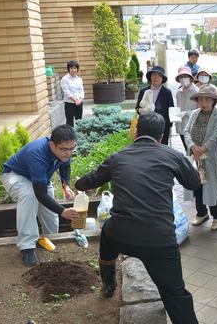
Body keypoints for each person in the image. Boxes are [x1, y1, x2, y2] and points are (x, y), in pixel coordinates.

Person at [75, 113, 201, 323]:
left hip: (122, 235)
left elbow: (91, 180)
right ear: (161, 136)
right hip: (160, 242)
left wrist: (77, 184)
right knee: (176, 295)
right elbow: (194, 183)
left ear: (136, 132)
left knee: (107, 232)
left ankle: (108, 283)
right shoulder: (171, 155)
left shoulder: (118, 157)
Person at [1, 125, 80, 267]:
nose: (68, 153)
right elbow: (40, 194)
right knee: (29, 195)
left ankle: (52, 238)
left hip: (39, 178)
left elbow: (65, 166)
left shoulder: (65, 150)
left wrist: (66, 185)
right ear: (52, 144)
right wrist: (63, 211)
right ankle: (27, 246)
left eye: (72, 149)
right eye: (64, 149)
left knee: (50, 210)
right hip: (15, 175)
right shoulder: (36, 153)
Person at [184, 85, 217, 231]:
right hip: (194, 155)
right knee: (197, 184)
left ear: (213, 101)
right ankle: (201, 213)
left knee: (212, 185)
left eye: (207, 99)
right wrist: (192, 147)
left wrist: (203, 148)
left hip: (209, 156)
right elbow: (186, 130)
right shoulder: (195, 113)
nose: (204, 103)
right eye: (201, 99)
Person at [136, 65, 174, 145]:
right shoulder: (144, 91)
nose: (156, 77)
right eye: (154, 75)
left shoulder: (167, 92)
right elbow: (137, 108)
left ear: (162, 78)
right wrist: (141, 110)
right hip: (146, 126)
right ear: (150, 77)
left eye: (159, 76)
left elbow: (171, 111)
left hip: (162, 126)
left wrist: (169, 126)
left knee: (162, 149)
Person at [175, 66, 199, 150]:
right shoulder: (178, 92)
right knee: (187, 150)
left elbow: (200, 111)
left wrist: (187, 112)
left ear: (190, 78)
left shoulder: (196, 91)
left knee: (194, 151)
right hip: (181, 127)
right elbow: (178, 108)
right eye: (181, 77)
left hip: (193, 128)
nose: (183, 79)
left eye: (185, 76)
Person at [61, 60, 85, 127]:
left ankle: (79, 135)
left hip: (79, 102)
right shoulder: (64, 79)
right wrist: (75, 100)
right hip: (69, 103)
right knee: (69, 122)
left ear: (77, 69)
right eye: (71, 68)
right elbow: (67, 92)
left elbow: (82, 91)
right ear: (68, 69)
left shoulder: (79, 79)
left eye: (75, 68)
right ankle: (70, 137)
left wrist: (80, 100)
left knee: (79, 120)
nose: (73, 70)